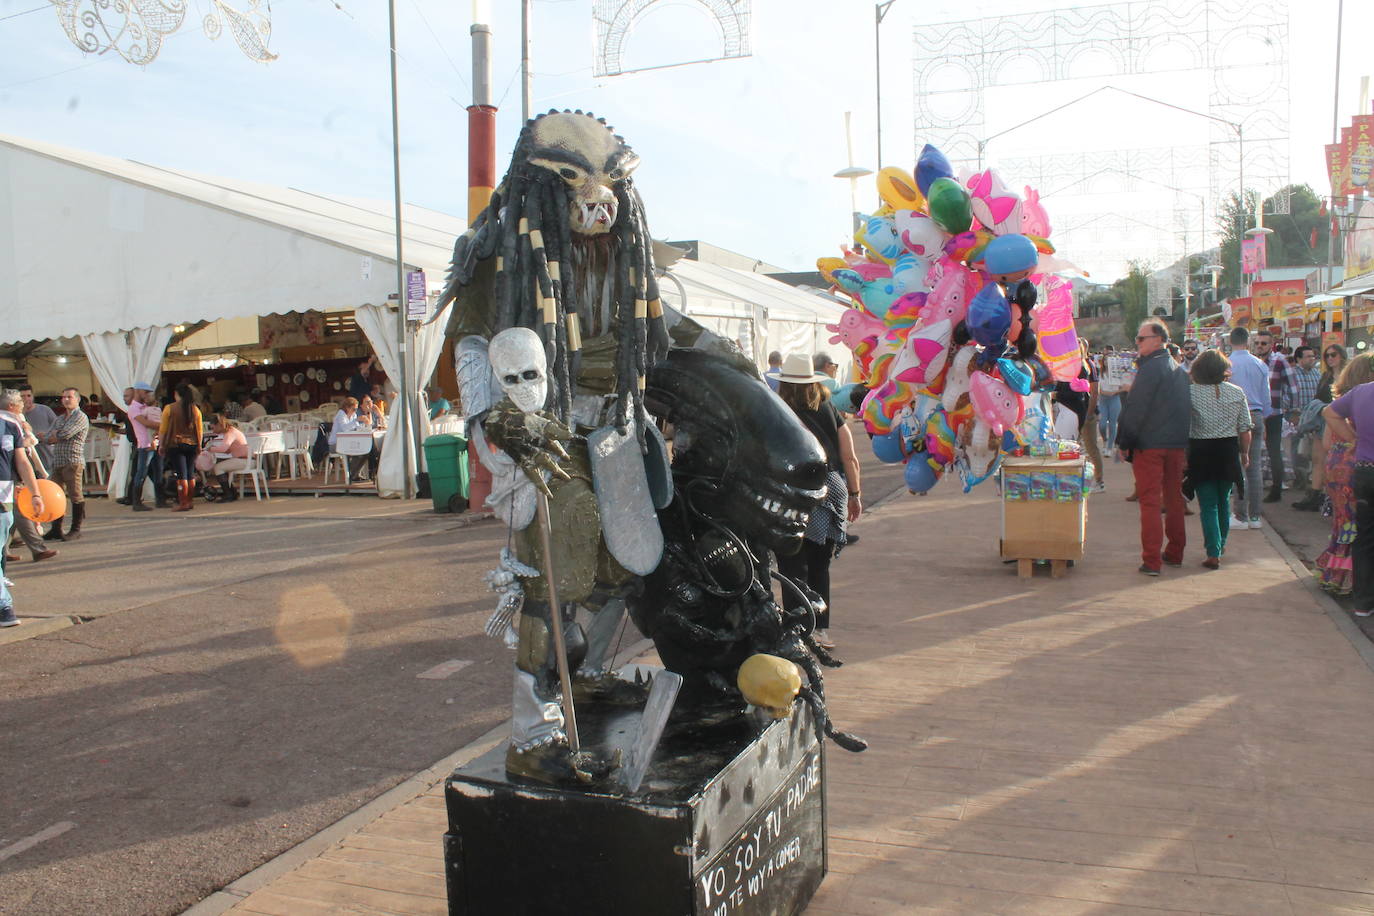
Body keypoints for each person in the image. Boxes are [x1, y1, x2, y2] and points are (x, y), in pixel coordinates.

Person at [772, 353, 862, 649]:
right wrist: (855, 494)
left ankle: (797, 629)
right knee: (819, 565)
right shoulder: (829, 408)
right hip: (828, 489)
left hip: (791, 492)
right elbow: (849, 455)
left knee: (791, 565)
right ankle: (821, 630)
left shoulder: (777, 412)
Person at [1116, 321, 1191, 575]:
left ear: (1158, 339)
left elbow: (1136, 410)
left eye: (1140, 339)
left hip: (1150, 445)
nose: (1137, 343)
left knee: (1150, 502)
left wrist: (1125, 442)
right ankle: (1174, 552)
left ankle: (1152, 560)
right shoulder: (1179, 371)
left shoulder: (1150, 370)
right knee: (1173, 500)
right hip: (1175, 444)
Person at [1185, 350, 1253, 570]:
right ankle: (1220, 545)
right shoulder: (1237, 392)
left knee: (1208, 504)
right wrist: (1245, 453)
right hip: (1227, 450)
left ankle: (1213, 552)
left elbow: (1184, 428)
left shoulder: (1190, 393)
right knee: (1224, 501)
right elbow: (1245, 429)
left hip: (1200, 451)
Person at [1314, 353, 1371, 597]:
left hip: (1336, 465)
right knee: (1360, 526)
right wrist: (1354, 440)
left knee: (1343, 523)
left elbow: (1327, 442)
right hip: (1356, 464)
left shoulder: (1344, 400)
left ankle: (1334, 575)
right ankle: (1352, 579)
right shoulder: (1361, 401)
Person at [0, 390, 46, 627]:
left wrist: (35, 492)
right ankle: (4, 607)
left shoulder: (10, 425)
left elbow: (22, 460)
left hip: (4, 492)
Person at [0, 391, 57, 563]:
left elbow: (23, 461)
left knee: (11, 517)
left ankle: (7, 553)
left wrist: (35, 493)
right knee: (18, 514)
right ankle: (35, 548)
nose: (24, 403)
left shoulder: (13, 423)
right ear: (11, 405)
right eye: (20, 400)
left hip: (8, 483)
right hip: (10, 481)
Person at [1225, 327, 1271, 530]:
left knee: (1238, 466)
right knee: (1254, 469)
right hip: (1258, 414)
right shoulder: (1259, 364)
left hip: (1236, 415)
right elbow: (1266, 397)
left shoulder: (1226, 363)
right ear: (1248, 341)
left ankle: (1240, 515)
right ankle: (1255, 517)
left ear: (1230, 341)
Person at [1296, 344, 1350, 512]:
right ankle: (1315, 494)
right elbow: (1318, 397)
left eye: (1333, 354)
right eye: (1327, 356)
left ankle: (1331, 497)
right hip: (1324, 421)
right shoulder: (1325, 376)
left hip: (1342, 422)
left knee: (1336, 461)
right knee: (1318, 458)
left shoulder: (1349, 376)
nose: (1330, 358)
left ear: (1341, 355)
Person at [1252, 330, 1297, 503]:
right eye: (1257, 343)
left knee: (1273, 451)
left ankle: (1276, 488)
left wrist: (1294, 410)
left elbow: (1292, 387)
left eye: (1263, 343)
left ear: (1271, 344)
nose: (1260, 346)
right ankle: (1254, 488)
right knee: (1252, 451)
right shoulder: (1254, 362)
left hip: (1273, 413)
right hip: (1255, 413)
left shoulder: (1279, 361)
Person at [44, 388, 89, 541]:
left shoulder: (81, 417)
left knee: (75, 494)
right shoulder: (60, 418)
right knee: (57, 495)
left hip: (72, 461)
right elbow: (48, 436)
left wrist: (55, 435)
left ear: (77, 399)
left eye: (69, 397)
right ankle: (56, 528)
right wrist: (54, 435)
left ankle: (76, 529)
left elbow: (65, 434)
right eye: (63, 397)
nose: (66, 400)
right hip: (58, 461)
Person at [158, 383, 203, 512]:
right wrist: (199, 445)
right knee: (190, 473)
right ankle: (189, 501)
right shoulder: (195, 410)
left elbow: (163, 429)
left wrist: (161, 445)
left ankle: (183, 502)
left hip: (175, 444)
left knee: (181, 475)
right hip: (192, 444)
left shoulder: (169, 408)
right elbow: (199, 431)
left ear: (177, 394)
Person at [1287, 345, 1321, 494]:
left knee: (1314, 447)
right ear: (1299, 359)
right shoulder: (1292, 374)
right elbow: (1285, 395)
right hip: (1298, 415)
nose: (1312, 359)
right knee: (1298, 447)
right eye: (1308, 356)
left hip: (1315, 416)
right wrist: (1292, 413)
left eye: (1313, 356)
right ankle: (1299, 476)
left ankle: (1311, 476)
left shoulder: (1317, 374)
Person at [204, 415, 248, 501]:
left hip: (244, 460)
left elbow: (223, 448)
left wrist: (209, 449)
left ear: (219, 425)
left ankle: (228, 494)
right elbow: (227, 450)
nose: (213, 430)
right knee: (221, 465)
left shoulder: (230, 433)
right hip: (244, 459)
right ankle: (232, 492)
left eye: (213, 428)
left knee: (218, 468)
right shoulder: (232, 431)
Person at [329, 397, 370, 480]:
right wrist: (356, 421)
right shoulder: (341, 414)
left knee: (365, 451)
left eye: (356, 409)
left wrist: (365, 425)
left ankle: (354, 473)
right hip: (335, 444)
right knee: (358, 450)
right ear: (347, 408)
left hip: (347, 442)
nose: (355, 411)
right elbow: (345, 428)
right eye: (353, 409)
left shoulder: (353, 415)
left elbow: (357, 427)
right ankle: (353, 474)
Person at [19, 384, 57, 473]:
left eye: (29, 395)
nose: (26, 399)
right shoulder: (16, 415)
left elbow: (57, 427)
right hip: (26, 455)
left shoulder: (45, 410)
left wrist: (48, 435)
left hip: (46, 453)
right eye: (23, 396)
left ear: (33, 396)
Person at [1098, 345, 1124, 455]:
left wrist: (1115, 392)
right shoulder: (1100, 373)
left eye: (1109, 361)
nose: (1107, 363)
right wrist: (1104, 393)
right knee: (1102, 424)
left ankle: (1109, 448)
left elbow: (1123, 386)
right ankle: (1105, 440)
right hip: (1103, 400)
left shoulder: (1118, 374)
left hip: (1114, 398)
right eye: (1105, 361)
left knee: (1113, 424)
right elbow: (1098, 389)